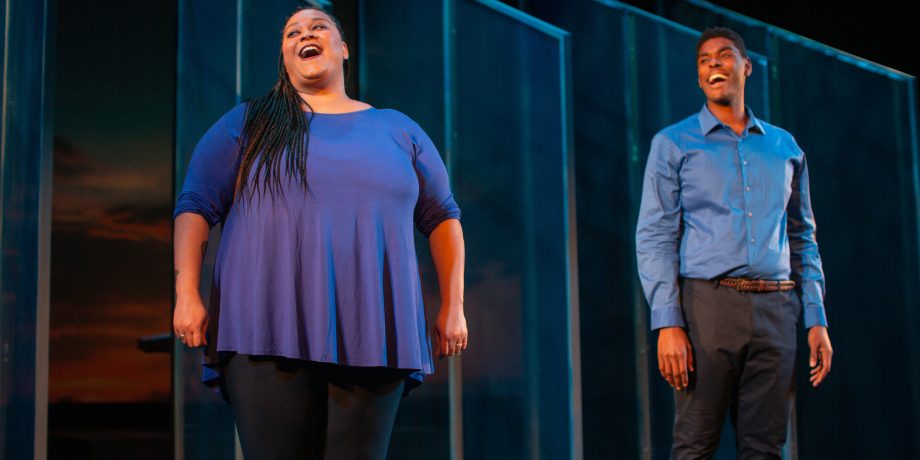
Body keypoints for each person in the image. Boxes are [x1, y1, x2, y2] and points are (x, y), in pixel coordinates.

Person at [172, 7, 467, 459]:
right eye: (292, 32)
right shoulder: (250, 122)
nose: (304, 35)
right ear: (284, 56)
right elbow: (195, 203)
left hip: (374, 330)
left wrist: (454, 307)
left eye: (318, 27)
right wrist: (187, 293)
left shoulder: (398, 129)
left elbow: (443, 216)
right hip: (265, 328)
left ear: (343, 48)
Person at [636, 27, 833, 459]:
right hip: (707, 307)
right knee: (694, 446)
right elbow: (654, 236)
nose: (713, 65)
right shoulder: (673, 144)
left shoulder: (786, 148)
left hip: (778, 309)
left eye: (724, 56)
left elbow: (804, 237)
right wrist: (668, 322)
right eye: (704, 61)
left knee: (766, 449)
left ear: (746, 67)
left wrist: (815, 316)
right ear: (699, 77)